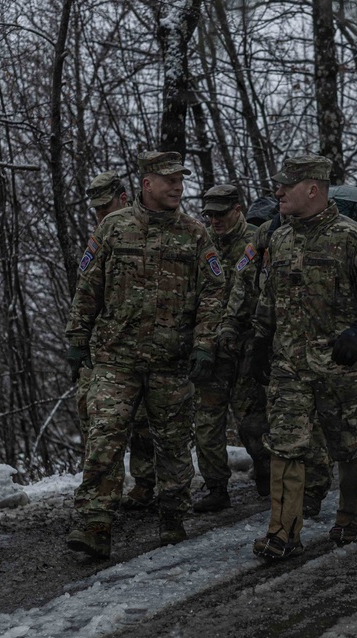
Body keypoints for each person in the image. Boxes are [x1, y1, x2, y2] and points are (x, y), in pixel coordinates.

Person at [64, 151, 225, 558]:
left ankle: (172, 516)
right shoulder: (113, 229)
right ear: (146, 183)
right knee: (105, 438)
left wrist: (205, 343)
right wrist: (77, 338)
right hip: (116, 358)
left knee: (172, 445)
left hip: (172, 361)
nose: (177, 186)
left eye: (180, 180)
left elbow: (213, 294)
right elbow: (89, 287)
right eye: (168, 179)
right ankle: (95, 524)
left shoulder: (195, 235)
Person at [249, 154, 357, 559]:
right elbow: (269, 297)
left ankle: (350, 515)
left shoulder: (353, 238)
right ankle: (283, 534)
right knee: (286, 445)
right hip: (289, 366)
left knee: (349, 445)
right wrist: (260, 340)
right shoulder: (278, 238)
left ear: (312, 189)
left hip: (341, 366)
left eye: (286, 185)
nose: (277, 191)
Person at [222, 196, 334, 517]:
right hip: (263, 339)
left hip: (306, 342)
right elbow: (242, 285)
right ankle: (271, 472)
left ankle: (311, 487)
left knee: (302, 418)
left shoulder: (313, 239)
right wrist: (232, 326)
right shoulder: (263, 241)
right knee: (257, 417)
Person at [80, 172, 158, 511]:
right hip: (104, 345)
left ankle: (144, 482)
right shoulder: (100, 237)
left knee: (142, 419)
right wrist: (78, 337)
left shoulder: (146, 232)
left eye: (105, 206)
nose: (100, 215)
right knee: (97, 418)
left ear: (124, 199)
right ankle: (100, 501)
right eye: (95, 209)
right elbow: (86, 293)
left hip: (143, 343)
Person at [192, 184, 269, 512]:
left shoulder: (257, 240)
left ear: (237, 209)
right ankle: (216, 487)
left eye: (220, 214)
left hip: (246, 345)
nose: (214, 220)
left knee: (250, 419)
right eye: (209, 215)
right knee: (207, 421)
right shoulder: (201, 243)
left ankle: (266, 467)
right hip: (210, 347)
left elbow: (267, 290)